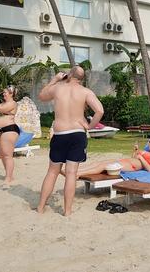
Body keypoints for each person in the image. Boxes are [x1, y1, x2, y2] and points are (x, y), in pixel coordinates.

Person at [35, 66, 104, 217]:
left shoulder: (58, 88)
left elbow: (41, 96)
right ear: (81, 79)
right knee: (71, 173)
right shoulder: (86, 92)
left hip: (60, 133)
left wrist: (55, 79)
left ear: (69, 74)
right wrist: (89, 127)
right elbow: (100, 111)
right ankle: (67, 211)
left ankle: (40, 207)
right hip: (77, 133)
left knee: (52, 172)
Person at [77, 137, 150, 177]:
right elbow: (133, 157)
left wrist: (141, 158)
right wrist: (135, 150)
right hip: (127, 161)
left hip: (131, 166)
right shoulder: (146, 151)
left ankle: (78, 174)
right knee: (100, 162)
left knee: (104, 166)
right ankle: (76, 171)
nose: (149, 142)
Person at [0, 87, 21, 186]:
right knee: (1, 155)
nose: (3, 94)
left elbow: (1, 109)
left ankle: (8, 177)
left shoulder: (13, 103)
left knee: (7, 155)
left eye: (5, 92)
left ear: (11, 94)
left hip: (9, 129)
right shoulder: (1, 104)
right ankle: (9, 175)